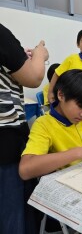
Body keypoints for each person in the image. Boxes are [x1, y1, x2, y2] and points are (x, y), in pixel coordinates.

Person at [0, 23, 49, 234]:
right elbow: (34, 77)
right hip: (5, 143)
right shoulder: (45, 125)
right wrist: (39, 55)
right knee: (12, 215)